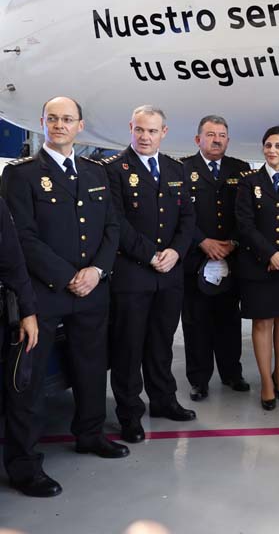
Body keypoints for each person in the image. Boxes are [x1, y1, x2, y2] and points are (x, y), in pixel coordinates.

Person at [1, 96, 126, 499]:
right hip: (45, 294)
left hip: (92, 290)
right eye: (52, 119)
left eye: (66, 119)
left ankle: (90, 434)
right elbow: (21, 237)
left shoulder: (95, 172)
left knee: (92, 368)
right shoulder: (21, 176)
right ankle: (23, 464)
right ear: (43, 123)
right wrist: (67, 276)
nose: (59, 125)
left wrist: (97, 271)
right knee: (29, 383)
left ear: (80, 126)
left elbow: (111, 226)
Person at [105, 105, 197, 443]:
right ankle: (129, 413)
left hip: (170, 274)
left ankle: (163, 400)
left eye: (152, 131)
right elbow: (116, 222)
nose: (145, 137)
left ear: (164, 133)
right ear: (131, 128)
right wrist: (151, 255)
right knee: (128, 347)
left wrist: (176, 251)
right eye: (140, 130)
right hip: (133, 275)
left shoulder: (177, 168)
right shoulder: (114, 170)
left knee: (162, 342)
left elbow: (188, 218)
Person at [235, 126, 279, 410]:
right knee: (262, 322)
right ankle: (266, 380)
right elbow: (244, 223)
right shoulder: (248, 182)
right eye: (268, 145)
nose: (272, 151)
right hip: (258, 265)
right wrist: (269, 253)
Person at [181, 115, 250, 401]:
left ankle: (232, 373)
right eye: (210, 135)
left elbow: (245, 214)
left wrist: (231, 242)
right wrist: (203, 242)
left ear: (228, 140)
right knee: (196, 323)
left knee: (229, 321)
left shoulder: (241, 169)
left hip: (230, 258)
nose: (216, 139)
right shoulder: (183, 169)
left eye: (221, 135)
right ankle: (199, 380)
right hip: (196, 260)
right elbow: (180, 215)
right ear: (198, 139)